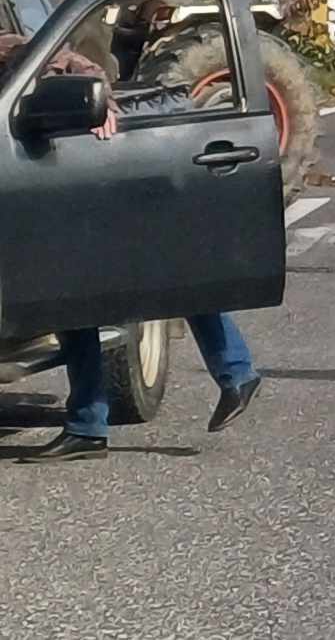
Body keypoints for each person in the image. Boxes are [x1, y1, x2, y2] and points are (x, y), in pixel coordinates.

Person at [0, 36, 263, 462]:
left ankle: (232, 372)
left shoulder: (14, 49)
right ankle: (91, 425)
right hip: (38, 195)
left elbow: (76, 68)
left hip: (73, 182)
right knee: (90, 298)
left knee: (144, 277)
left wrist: (101, 103)